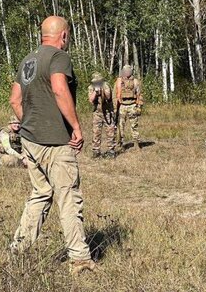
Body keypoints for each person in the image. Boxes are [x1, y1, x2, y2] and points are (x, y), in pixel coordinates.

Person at [9, 16, 96, 275]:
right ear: (64, 36)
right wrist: (77, 128)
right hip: (56, 142)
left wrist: (30, 124)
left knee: (41, 193)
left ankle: (20, 247)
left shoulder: (28, 60)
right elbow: (60, 90)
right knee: (68, 196)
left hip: (30, 140)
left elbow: (15, 99)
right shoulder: (58, 58)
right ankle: (79, 259)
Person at [88, 72, 116, 159]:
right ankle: (96, 151)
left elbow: (108, 97)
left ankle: (111, 151)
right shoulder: (90, 87)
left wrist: (102, 90)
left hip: (108, 112)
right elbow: (91, 100)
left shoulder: (106, 85)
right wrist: (96, 92)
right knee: (96, 132)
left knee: (110, 131)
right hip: (97, 113)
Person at [115, 65, 143, 152]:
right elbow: (114, 95)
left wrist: (139, 107)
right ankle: (120, 144)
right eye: (125, 70)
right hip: (122, 105)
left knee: (134, 126)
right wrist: (115, 108)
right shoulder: (118, 81)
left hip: (132, 105)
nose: (127, 72)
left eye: (128, 70)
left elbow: (139, 95)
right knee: (120, 126)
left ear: (131, 71)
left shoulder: (135, 82)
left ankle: (136, 143)